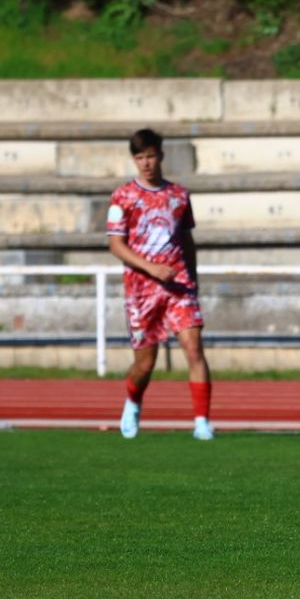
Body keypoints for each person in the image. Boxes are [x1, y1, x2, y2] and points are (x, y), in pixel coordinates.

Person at [105, 128, 214, 440]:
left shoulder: (179, 196)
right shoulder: (123, 196)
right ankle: (133, 402)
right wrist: (151, 268)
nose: (146, 163)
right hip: (141, 290)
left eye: (151, 156)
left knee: (193, 348)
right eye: (140, 157)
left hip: (179, 287)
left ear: (161, 156)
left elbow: (187, 241)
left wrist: (192, 279)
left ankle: (202, 422)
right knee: (145, 363)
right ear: (134, 160)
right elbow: (116, 244)